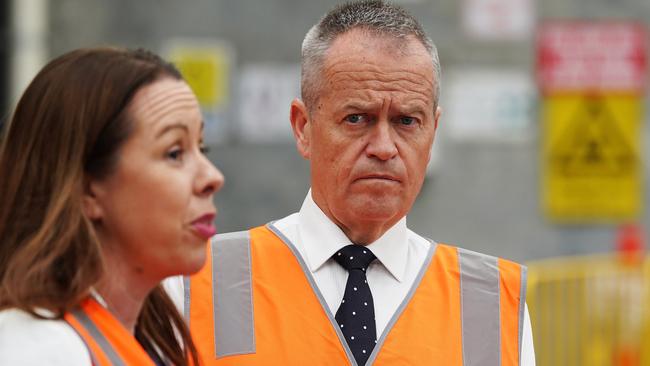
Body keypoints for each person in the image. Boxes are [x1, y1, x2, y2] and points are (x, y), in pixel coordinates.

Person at [180, 1, 534, 365]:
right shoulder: (199, 282)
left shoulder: (491, 305)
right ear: (303, 127)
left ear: (433, 133)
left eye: (406, 121)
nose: (383, 148)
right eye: (357, 118)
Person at [0, 47, 224, 365]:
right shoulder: (39, 348)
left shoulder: (153, 339)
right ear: (88, 188)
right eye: (174, 153)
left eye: (202, 148)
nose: (212, 177)